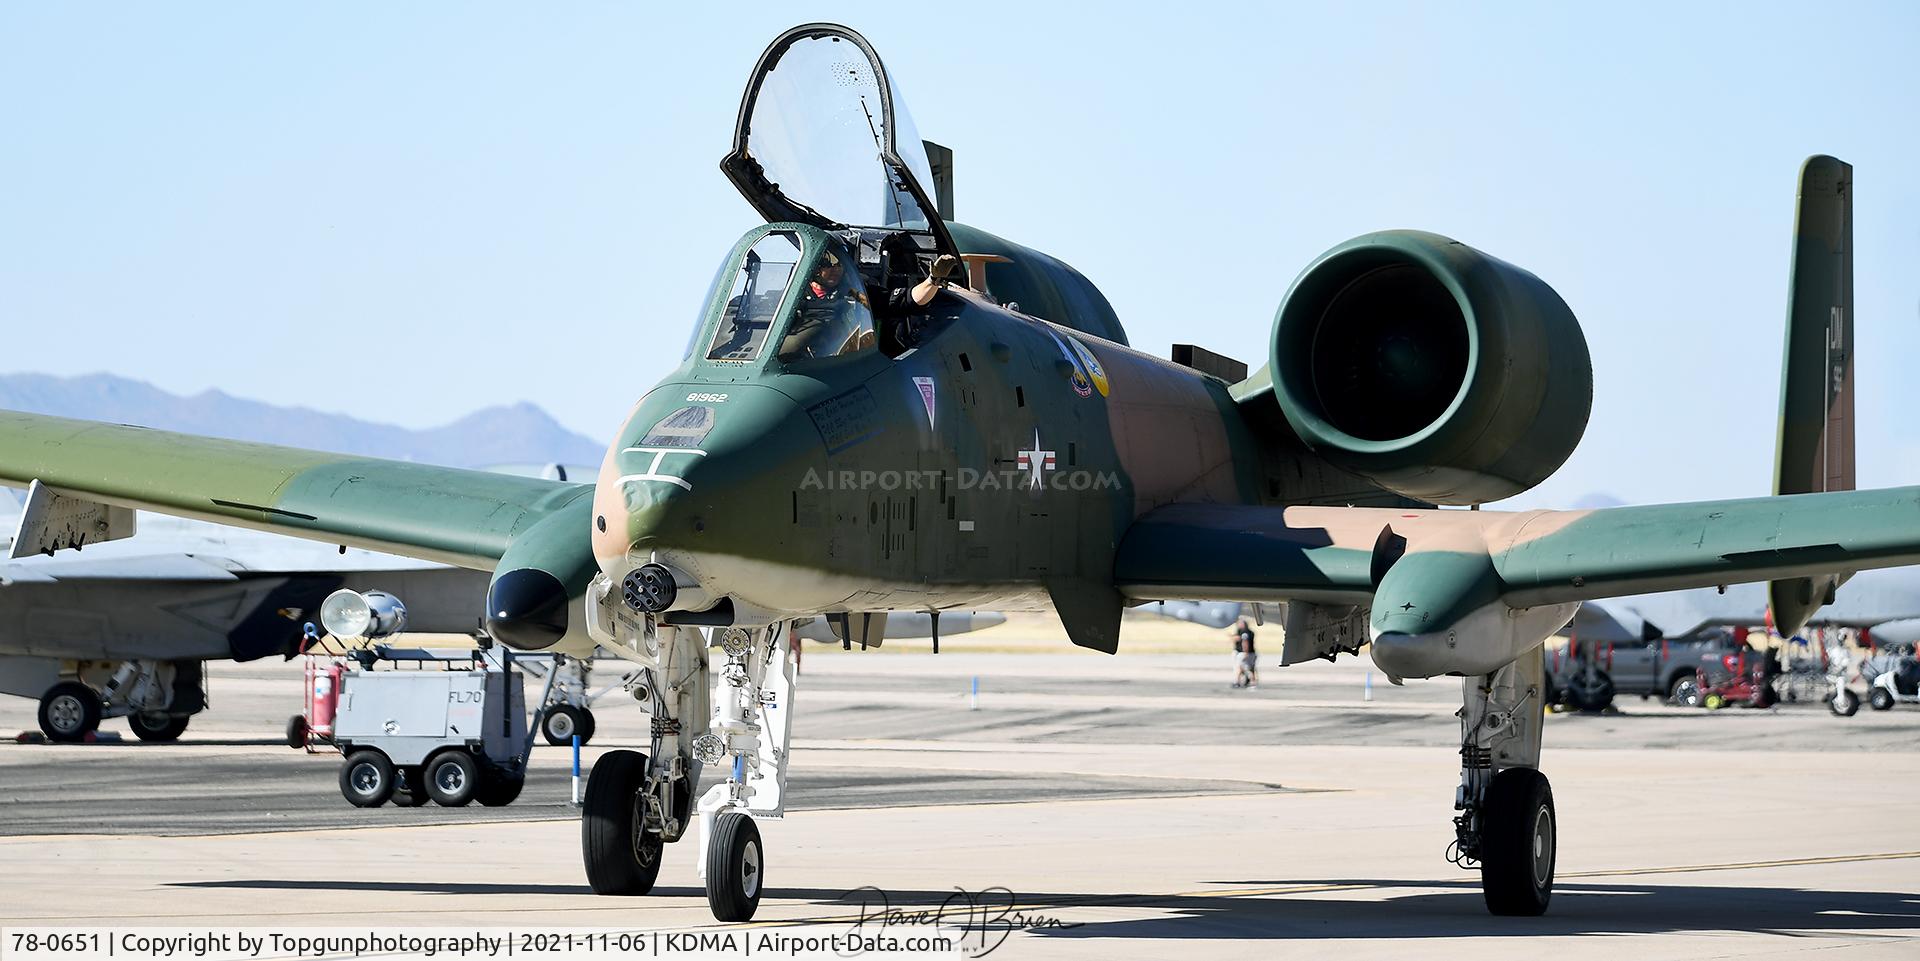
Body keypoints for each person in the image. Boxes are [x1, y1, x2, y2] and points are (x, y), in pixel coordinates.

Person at [1229, 617, 1258, 689]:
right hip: (1252, 653)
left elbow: (1245, 642)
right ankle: (1250, 681)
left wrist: (1245, 652)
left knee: (1241, 667)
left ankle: (1238, 682)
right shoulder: (1249, 632)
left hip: (1244, 653)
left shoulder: (1244, 632)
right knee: (1250, 668)